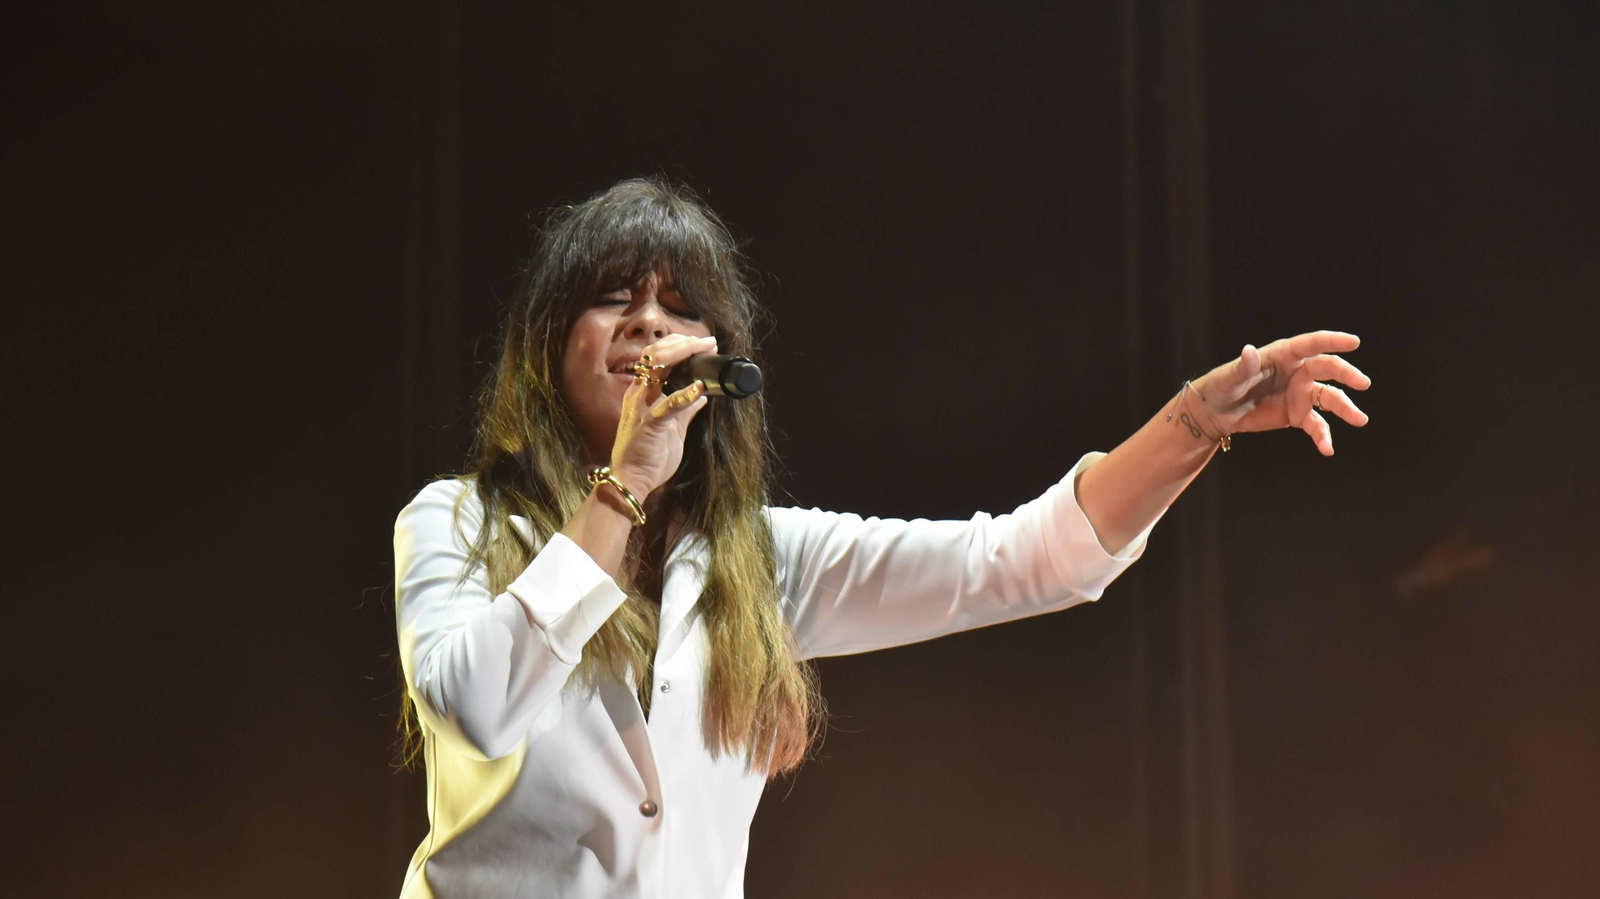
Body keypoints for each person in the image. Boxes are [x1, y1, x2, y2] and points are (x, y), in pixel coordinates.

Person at [391, 177, 1371, 898]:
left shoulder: (757, 559)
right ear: (550, 338)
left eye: (680, 306)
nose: (649, 321)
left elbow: (1022, 559)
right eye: (616, 296)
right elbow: (475, 701)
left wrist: (1192, 421)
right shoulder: (459, 520)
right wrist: (627, 483)